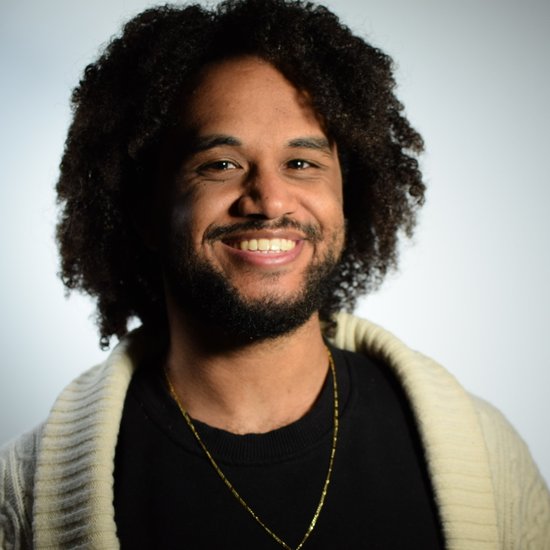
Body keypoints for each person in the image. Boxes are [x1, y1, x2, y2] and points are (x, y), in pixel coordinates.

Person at [1, 0, 549, 548]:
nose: (269, 199)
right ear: (148, 211)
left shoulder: (486, 455)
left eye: (301, 163)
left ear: (347, 197)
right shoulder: (21, 497)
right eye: (221, 164)